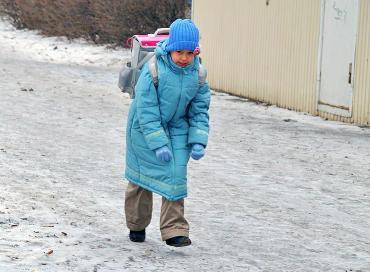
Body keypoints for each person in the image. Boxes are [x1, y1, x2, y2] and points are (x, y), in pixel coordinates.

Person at [124, 18, 210, 247]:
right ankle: (136, 224)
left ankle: (175, 230)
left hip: (177, 128)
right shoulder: (153, 69)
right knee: (141, 177)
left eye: (189, 53)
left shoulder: (198, 74)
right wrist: (157, 142)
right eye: (179, 51)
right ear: (170, 48)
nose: (184, 57)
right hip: (143, 127)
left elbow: (200, 111)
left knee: (175, 174)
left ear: (196, 51)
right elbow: (146, 109)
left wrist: (199, 139)